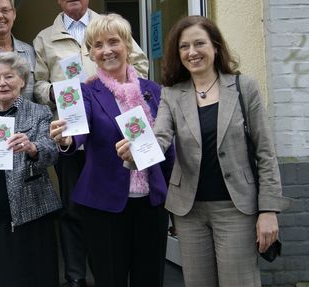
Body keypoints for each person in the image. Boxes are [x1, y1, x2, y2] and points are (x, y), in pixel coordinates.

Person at [116, 15, 291, 287]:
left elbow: (265, 152)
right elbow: (160, 138)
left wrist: (269, 210)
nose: (192, 52)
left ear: (215, 47)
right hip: (190, 211)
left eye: (199, 43)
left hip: (236, 209)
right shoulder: (172, 94)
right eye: (184, 47)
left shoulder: (244, 87)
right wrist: (135, 152)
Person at [33, 0, 149, 287]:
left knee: (115, 201)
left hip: (113, 129)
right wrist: (62, 92)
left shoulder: (110, 28)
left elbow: (139, 64)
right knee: (73, 208)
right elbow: (37, 85)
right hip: (73, 130)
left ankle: (108, 273)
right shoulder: (45, 38)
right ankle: (75, 277)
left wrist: (105, 83)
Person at [50, 14, 174, 287]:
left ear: (127, 45)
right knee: (110, 280)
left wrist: (174, 196)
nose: (106, 50)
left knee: (150, 279)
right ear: (91, 53)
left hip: (151, 203)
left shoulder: (155, 91)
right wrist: (67, 140)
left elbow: (169, 145)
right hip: (104, 206)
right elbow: (76, 133)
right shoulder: (85, 92)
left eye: (113, 42)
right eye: (97, 45)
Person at [0, 52, 62, 287]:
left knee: (35, 279)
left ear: (23, 80)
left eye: (9, 76)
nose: (2, 83)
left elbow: (51, 152)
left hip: (32, 217)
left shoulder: (39, 113)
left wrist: (32, 147)